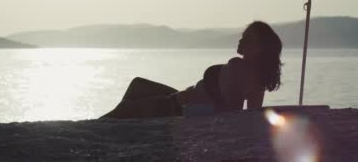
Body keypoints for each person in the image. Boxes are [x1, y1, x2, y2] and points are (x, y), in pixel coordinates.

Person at [101, 21, 283, 119]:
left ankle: (94, 128)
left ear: (261, 48)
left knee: (126, 107)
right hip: (180, 102)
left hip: (175, 109)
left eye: (248, 38)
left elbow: (231, 114)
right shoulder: (258, 82)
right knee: (138, 85)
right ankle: (119, 130)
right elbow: (250, 116)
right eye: (242, 36)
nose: (241, 40)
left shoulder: (237, 66)